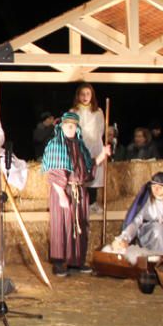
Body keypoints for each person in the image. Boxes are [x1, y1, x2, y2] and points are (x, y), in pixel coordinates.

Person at [41, 112, 111, 276]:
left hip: (79, 191)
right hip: (64, 191)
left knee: (80, 224)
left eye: (74, 126)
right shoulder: (56, 145)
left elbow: (87, 167)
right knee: (62, 225)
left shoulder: (79, 146)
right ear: (62, 126)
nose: (71, 129)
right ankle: (59, 262)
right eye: (68, 126)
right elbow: (54, 172)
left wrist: (102, 155)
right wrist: (61, 194)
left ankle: (76, 261)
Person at [110, 172, 163, 262]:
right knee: (157, 229)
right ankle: (153, 260)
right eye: (154, 186)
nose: (156, 189)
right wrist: (125, 237)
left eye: (160, 187)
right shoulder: (146, 202)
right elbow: (136, 221)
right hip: (149, 231)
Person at [71, 83, 105, 212]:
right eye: (82, 94)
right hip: (80, 146)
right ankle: (80, 203)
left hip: (95, 145)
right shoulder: (73, 112)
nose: (85, 97)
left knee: (94, 173)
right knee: (81, 173)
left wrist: (95, 142)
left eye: (88, 94)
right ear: (78, 96)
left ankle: (92, 202)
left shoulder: (98, 111)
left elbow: (100, 129)